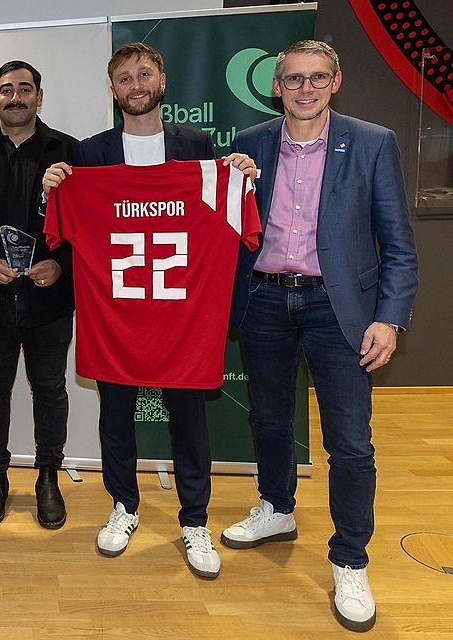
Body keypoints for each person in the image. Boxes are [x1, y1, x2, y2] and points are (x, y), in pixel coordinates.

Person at [221, 39, 417, 632]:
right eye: (294, 79)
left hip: (341, 310)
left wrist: (390, 316)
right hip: (263, 300)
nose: (305, 88)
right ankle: (277, 507)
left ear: (335, 82)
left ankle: (351, 559)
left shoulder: (373, 142)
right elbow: (225, 226)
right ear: (276, 85)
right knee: (270, 419)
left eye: (317, 78)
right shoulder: (250, 144)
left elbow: (399, 246)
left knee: (350, 442)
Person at [42, 42, 255, 579]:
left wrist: (238, 173)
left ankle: (195, 518)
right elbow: (67, 229)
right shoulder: (89, 154)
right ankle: (124, 506)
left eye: (144, 74)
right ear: (112, 90)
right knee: (116, 417)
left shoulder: (198, 146)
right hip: (117, 314)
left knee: (189, 422)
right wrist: (54, 192)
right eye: (124, 78)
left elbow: (224, 216)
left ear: (162, 81)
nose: (135, 85)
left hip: (182, 316)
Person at [0, 60, 77, 529]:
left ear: (39, 96)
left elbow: (89, 224)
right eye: (6, 90)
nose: (15, 98)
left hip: (49, 299)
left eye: (25, 89)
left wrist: (61, 264)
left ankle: (48, 476)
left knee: (50, 389)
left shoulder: (69, 151)